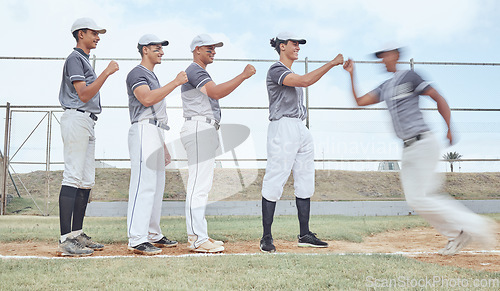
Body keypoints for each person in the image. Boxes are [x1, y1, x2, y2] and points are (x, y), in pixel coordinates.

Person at [343, 46, 496, 255]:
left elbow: (438, 98)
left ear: (396, 56)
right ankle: (458, 234)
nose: (382, 61)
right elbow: (360, 101)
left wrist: (449, 127)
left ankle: (474, 226)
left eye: (384, 56)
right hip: (408, 148)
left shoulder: (410, 77)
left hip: (423, 142)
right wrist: (352, 74)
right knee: (417, 199)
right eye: (379, 58)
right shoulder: (385, 87)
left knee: (421, 197)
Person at [260, 32, 344, 253]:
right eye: (294, 43)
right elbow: (305, 81)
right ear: (282, 47)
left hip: (299, 127)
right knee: (275, 179)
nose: (298, 47)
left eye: (299, 44)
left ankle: (304, 234)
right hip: (283, 127)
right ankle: (266, 237)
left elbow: (301, 81)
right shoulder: (276, 69)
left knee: (306, 180)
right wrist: (332, 63)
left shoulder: (290, 71)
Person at [181, 34, 256, 253]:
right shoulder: (195, 69)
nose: (213, 51)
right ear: (196, 50)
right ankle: (196, 238)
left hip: (204, 127)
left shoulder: (200, 71)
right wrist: (242, 76)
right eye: (209, 48)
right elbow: (215, 92)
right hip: (198, 127)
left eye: (215, 48)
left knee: (201, 185)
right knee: (198, 186)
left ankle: (199, 235)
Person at [57, 18, 119, 256]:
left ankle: (77, 234)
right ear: (80, 34)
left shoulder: (83, 60)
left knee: (85, 180)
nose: (98, 37)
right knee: (73, 176)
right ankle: (65, 239)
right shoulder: (75, 58)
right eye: (94, 33)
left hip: (88, 120)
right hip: (77, 117)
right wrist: (106, 73)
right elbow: (83, 94)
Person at [126, 34, 188, 255]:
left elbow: (155, 109)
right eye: (156, 48)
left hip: (155, 130)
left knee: (156, 185)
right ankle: (137, 238)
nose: (161, 51)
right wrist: (175, 82)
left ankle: (152, 234)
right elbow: (146, 99)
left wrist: (162, 144)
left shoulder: (151, 75)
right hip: (143, 128)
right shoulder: (137, 73)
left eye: (162, 48)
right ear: (144, 50)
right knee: (144, 184)